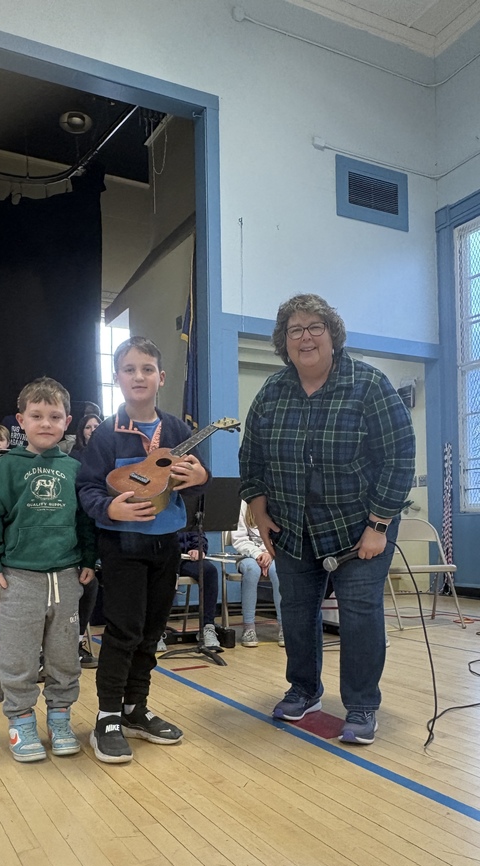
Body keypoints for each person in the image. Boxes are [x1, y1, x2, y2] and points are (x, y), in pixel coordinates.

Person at [239, 294, 415, 745]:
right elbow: (251, 458)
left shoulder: (370, 385)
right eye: (294, 330)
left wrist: (378, 526)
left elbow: (398, 458)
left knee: (359, 614)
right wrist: (258, 511)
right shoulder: (272, 394)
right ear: (284, 342)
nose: (305, 337)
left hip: (360, 528)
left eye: (315, 326)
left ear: (332, 334)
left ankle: (361, 705)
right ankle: (304, 690)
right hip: (292, 526)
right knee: (296, 611)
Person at [77, 336, 209, 764]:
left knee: (152, 633)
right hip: (121, 546)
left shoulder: (177, 431)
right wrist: (109, 507)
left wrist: (200, 477)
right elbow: (88, 489)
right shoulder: (104, 437)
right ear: (117, 378)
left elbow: (193, 481)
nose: (139, 376)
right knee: (123, 632)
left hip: (165, 546)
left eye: (147, 369)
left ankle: (136, 709)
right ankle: (107, 717)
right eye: (130, 369)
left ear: (161, 377)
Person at [0, 376, 98, 763]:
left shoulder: (76, 469)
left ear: (67, 422)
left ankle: (59, 719)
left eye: (55, 416)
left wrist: (89, 560)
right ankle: (21, 720)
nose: (46, 423)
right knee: (19, 656)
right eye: (37, 415)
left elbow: (85, 522)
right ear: (20, 420)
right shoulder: (5, 468)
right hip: (18, 579)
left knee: (65, 656)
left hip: (65, 577)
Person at [70, 412, 103, 668]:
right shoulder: (73, 461)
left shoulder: (108, 457)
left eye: (97, 426)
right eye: (88, 426)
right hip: (81, 530)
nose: (92, 430)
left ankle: (78, 640)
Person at [157, 529, 220, 653]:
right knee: (163, 576)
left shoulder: (187, 511)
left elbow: (198, 531)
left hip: (185, 559)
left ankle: (207, 627)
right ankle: (156, 631)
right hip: (163, 558)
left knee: (209, 572)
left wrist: (199, 548)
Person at [231, 500, 283, 648]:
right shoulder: (243, 504)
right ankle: (248, 627)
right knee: (252, 570)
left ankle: (284, 626)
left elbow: (281, 536)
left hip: (273, 554)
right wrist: (258, 554)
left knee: (277, 571)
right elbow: (239, 539)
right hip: (247, 555)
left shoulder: (277, 501)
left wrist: (269, 553)